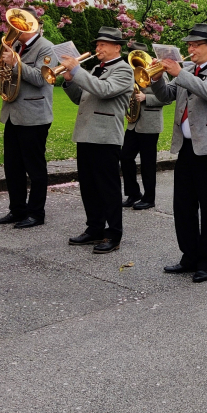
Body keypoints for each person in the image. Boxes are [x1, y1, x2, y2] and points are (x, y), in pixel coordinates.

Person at [152, 23, 207, 283]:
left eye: (195, 45)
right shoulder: (187, 71)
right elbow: (167, 96)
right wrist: (157, 78)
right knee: (183, 207)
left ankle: (206, 262)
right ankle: (189, 256)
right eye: (188, 45)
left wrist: (179, 72)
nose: (191, 49)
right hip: (187, 147)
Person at [61, 27, 134, 254]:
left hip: (105, 136)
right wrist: (70, 81)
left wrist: (78, 71)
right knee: (89, 186)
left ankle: (113, 234)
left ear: (117, 48)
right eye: (97, 44)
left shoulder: (124, 70)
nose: (98, 48)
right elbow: (81, 98)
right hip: (86, 134)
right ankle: (94, 228)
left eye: (103, 45)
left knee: (108, 188)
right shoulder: (94, 68)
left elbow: (104, 90)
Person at [0, 7, 57, 229]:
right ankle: (17, 210)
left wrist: (15, 64)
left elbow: (40, 78)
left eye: (20, 25)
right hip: (12, 114)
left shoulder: (46, 47)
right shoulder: (16, 45)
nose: (15, 29)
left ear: (33, 24)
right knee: (12, 166)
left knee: (34, 167)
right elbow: (8, 75)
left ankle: (36, 213)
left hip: (34, 116)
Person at [120, 41, 164, 212]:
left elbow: (167, 97)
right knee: (125, 157)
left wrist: (147, 99)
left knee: (148, 163)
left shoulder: (157, 70)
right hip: (133, 122)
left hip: (150, 124)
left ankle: (149, 197)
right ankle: (133, 193)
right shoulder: (131, 72)